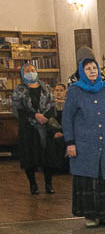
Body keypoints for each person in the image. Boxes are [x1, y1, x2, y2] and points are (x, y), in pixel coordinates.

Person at [62, 58, 105, 226]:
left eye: (94, 68)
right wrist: (70, 143)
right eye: (88, 68)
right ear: (82, 72)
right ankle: (90, 216)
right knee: (88, 180)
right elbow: (67, 118)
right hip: (84, 145)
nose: (92, 71)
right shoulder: (75, 91)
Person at [13, 63, 58, 194]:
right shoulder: (19, 89)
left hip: (45, 126)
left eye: (32, 70)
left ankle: (49, 184)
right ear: (23, 74)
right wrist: (34, 115)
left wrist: (45, 117)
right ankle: (33, 184)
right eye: (27, 71)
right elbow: (18, 109)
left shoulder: (46, 87)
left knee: (48, 157)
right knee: (30, 158)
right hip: (28, 128)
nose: (30, 73)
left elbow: (52, 105)